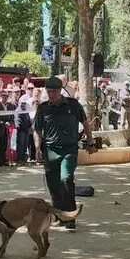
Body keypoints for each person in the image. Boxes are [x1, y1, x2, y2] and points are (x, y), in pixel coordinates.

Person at [34, 77, 95, 231]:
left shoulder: (73, 105)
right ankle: (58, 215)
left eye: (54, 91)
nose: (51, 95)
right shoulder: (43, 109)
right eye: (49, 92)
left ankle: (70, 217)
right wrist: (37, 148)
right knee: (53, 185)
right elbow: (37, 130)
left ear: (60, 90)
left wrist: (90, 142)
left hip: (69, 150)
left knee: (66, 179)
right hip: (50, 151)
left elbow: (85, 123)